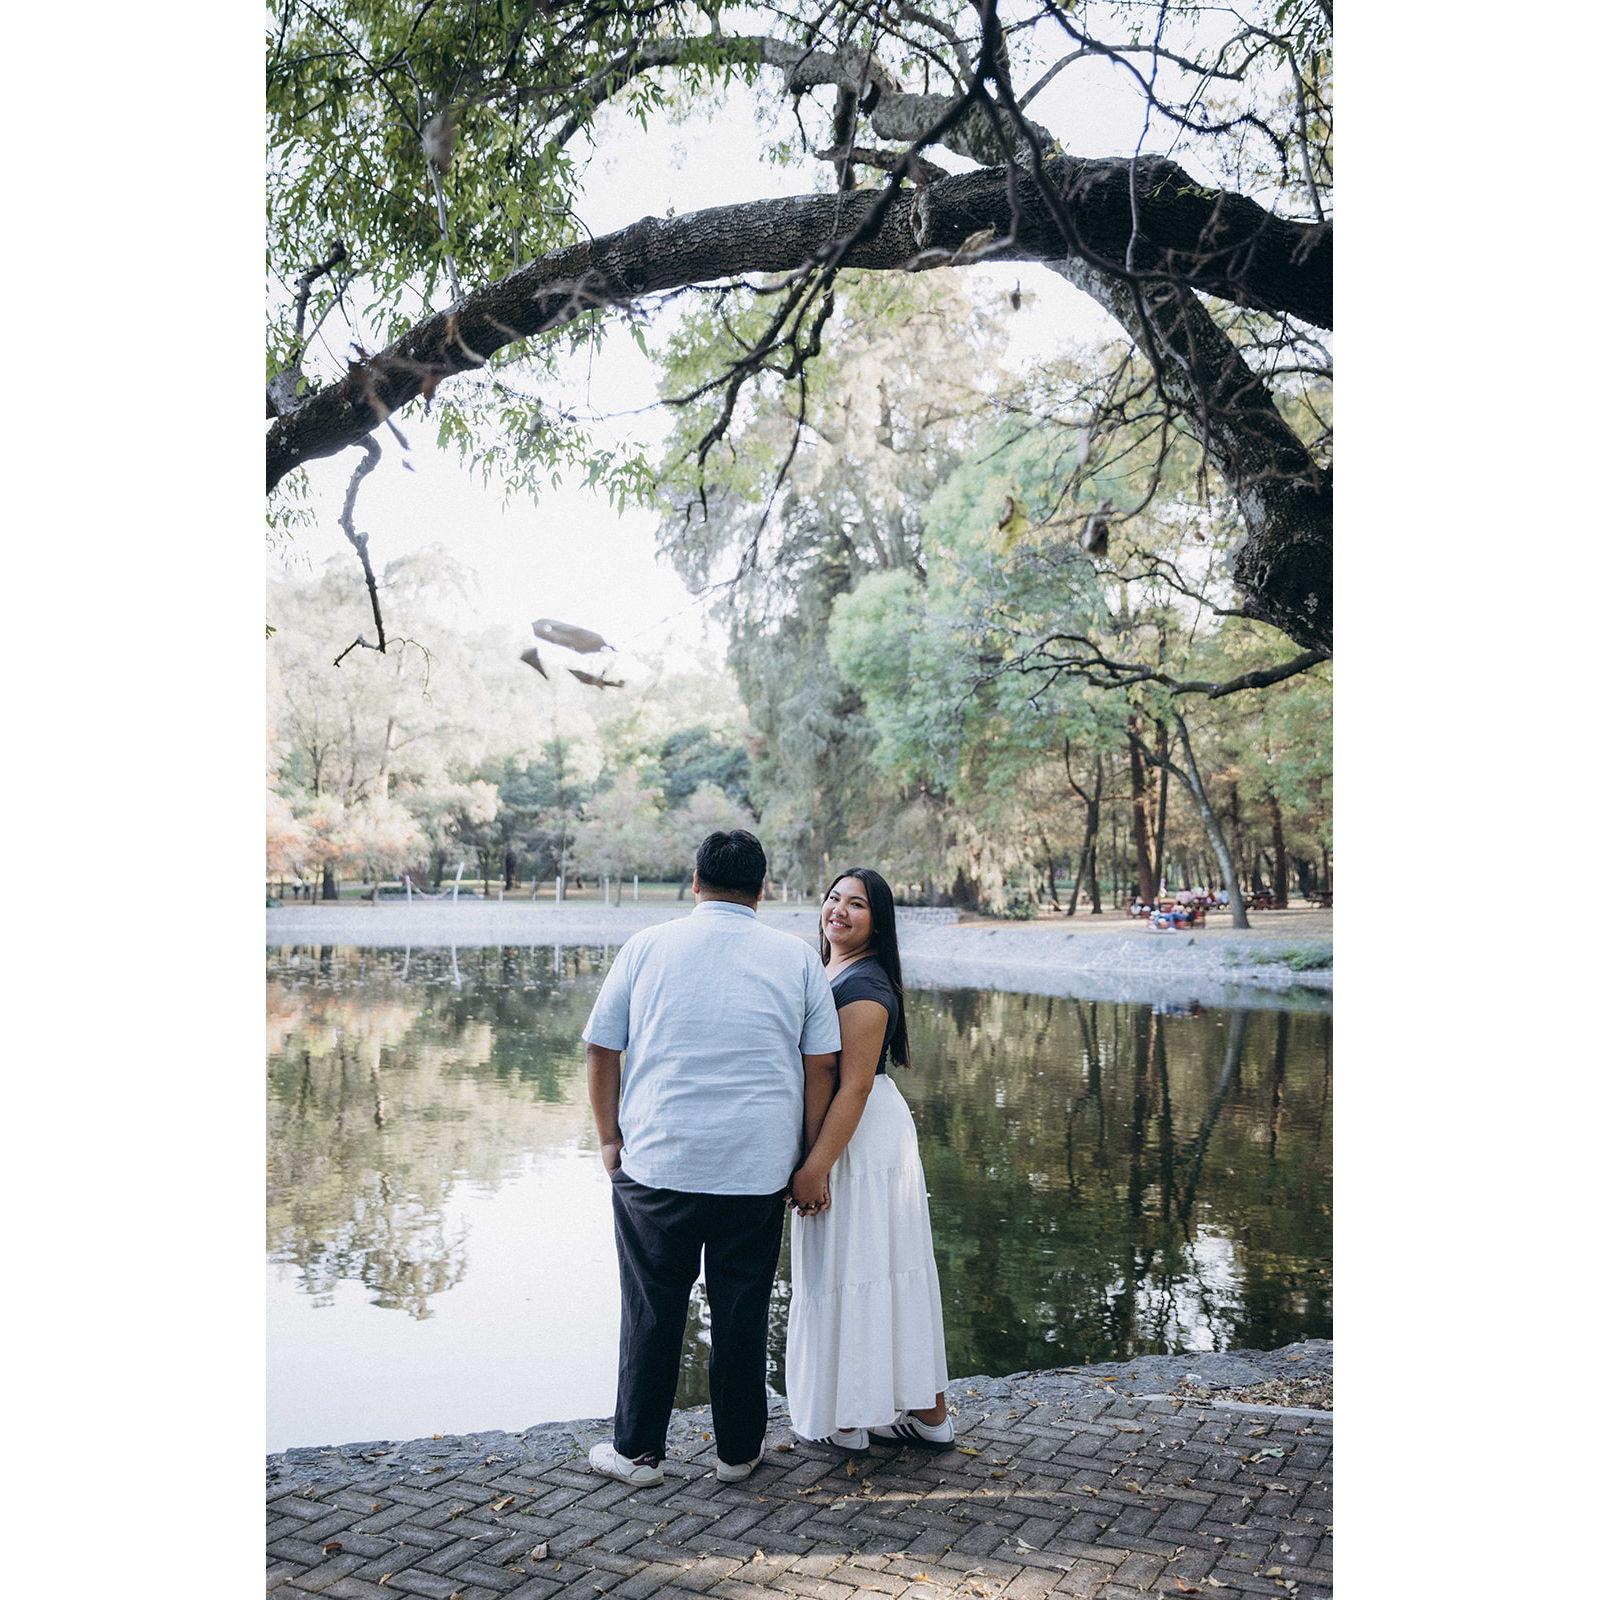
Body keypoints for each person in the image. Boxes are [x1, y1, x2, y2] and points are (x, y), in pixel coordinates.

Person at [582, 830, 842, 1487]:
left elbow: (602, 1048)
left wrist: (609, 1138)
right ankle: (738, 1453)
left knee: (652, 1311)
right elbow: (821, 1067)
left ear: (694, 881)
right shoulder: (797, 957)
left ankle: (638, 1453)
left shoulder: (646, 946)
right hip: (756, 1171)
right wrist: (807, 1157)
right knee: (741, 1313)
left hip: (657, 1166)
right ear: (762, 890)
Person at [784, 868, 952, 1450]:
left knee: (861, 1267)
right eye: (834, 897)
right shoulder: (828, 968)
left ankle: (855, 1418)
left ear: (877, 923)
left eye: (857, 904)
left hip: (857, 1136)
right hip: (846, 1129)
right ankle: (905, 1412)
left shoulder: (866, 988)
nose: (839, 910)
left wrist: (814, 1167)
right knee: (865, 1266)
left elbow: (853, 1085)